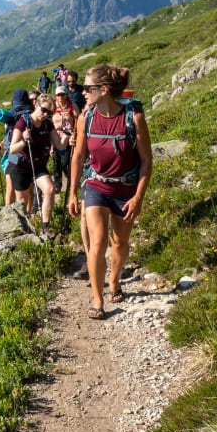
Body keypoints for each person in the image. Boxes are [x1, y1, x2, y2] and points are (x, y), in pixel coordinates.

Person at [67, 65, 152, 320]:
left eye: (88, 88)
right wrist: (72, 192)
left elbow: (146, 160)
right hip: (96, 185)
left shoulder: (133, 117)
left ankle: (114, 280)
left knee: (120, 242)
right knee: (98, 241)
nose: (83, 92)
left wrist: (138, 197)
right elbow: (79, 156)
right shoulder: (85, 118)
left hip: (125, 188)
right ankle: (97, 298)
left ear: (104, 90)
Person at [7, 93, 66, 238]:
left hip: (38, 164)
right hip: (21, 166)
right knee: (22, 202)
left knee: (50, 189)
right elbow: (13, 148)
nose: (46, 114)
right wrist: (24, 140)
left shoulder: (47, 124)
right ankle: (24, 231)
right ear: (36, 105)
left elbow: (59, 145)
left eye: (49, 112)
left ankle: (45, 228)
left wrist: (67, 135)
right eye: (44, 110)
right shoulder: (23, 122)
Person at [52, 85, 80, 193]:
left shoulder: (72, 105)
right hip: (56, 137)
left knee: (64, 162)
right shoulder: (54, 107)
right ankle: (57, 184)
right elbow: (50, 120)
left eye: (62, 94)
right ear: (56, 96)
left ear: (66, 95)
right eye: (58, 95)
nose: (60, 97)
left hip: (68, 137)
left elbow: (78, 118)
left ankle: (72, 180)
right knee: (56, 162)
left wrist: (75, 132)